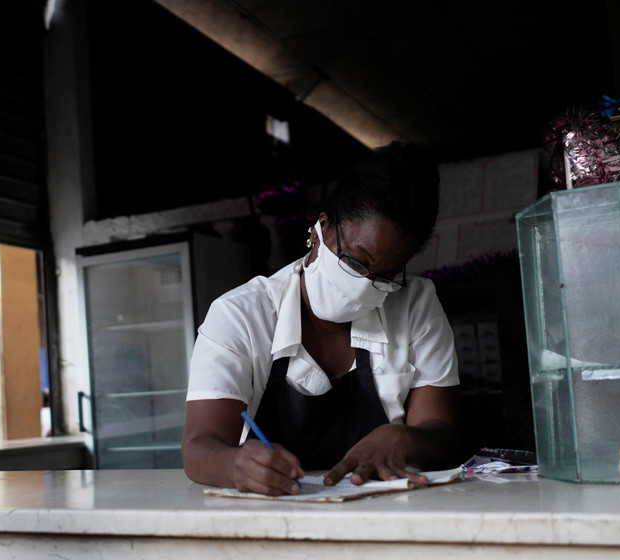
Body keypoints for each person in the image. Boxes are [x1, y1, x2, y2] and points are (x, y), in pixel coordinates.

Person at [182, 141, 461, 496]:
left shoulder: (415, 304)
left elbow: (443, 432)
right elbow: (198, 447)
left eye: (386, 276)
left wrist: (404, 438)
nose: (365, 285)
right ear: (321, 229)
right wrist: (235, 465)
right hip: (273, 511)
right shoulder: (240, 316)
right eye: (356, 262)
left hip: (386, 511)